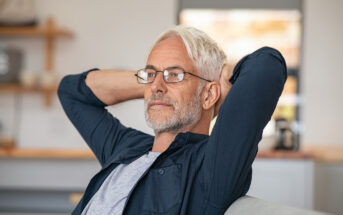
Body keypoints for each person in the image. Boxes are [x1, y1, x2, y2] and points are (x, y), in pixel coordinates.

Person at [58, 25, 287, 215]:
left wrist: (223, 80)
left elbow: (267, 65)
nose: (157, 86)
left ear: (208, 94)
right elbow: (71, 92)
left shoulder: (210, 166)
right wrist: (152, 84)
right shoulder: (128, 147)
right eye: (150, 74)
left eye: (175, 75)